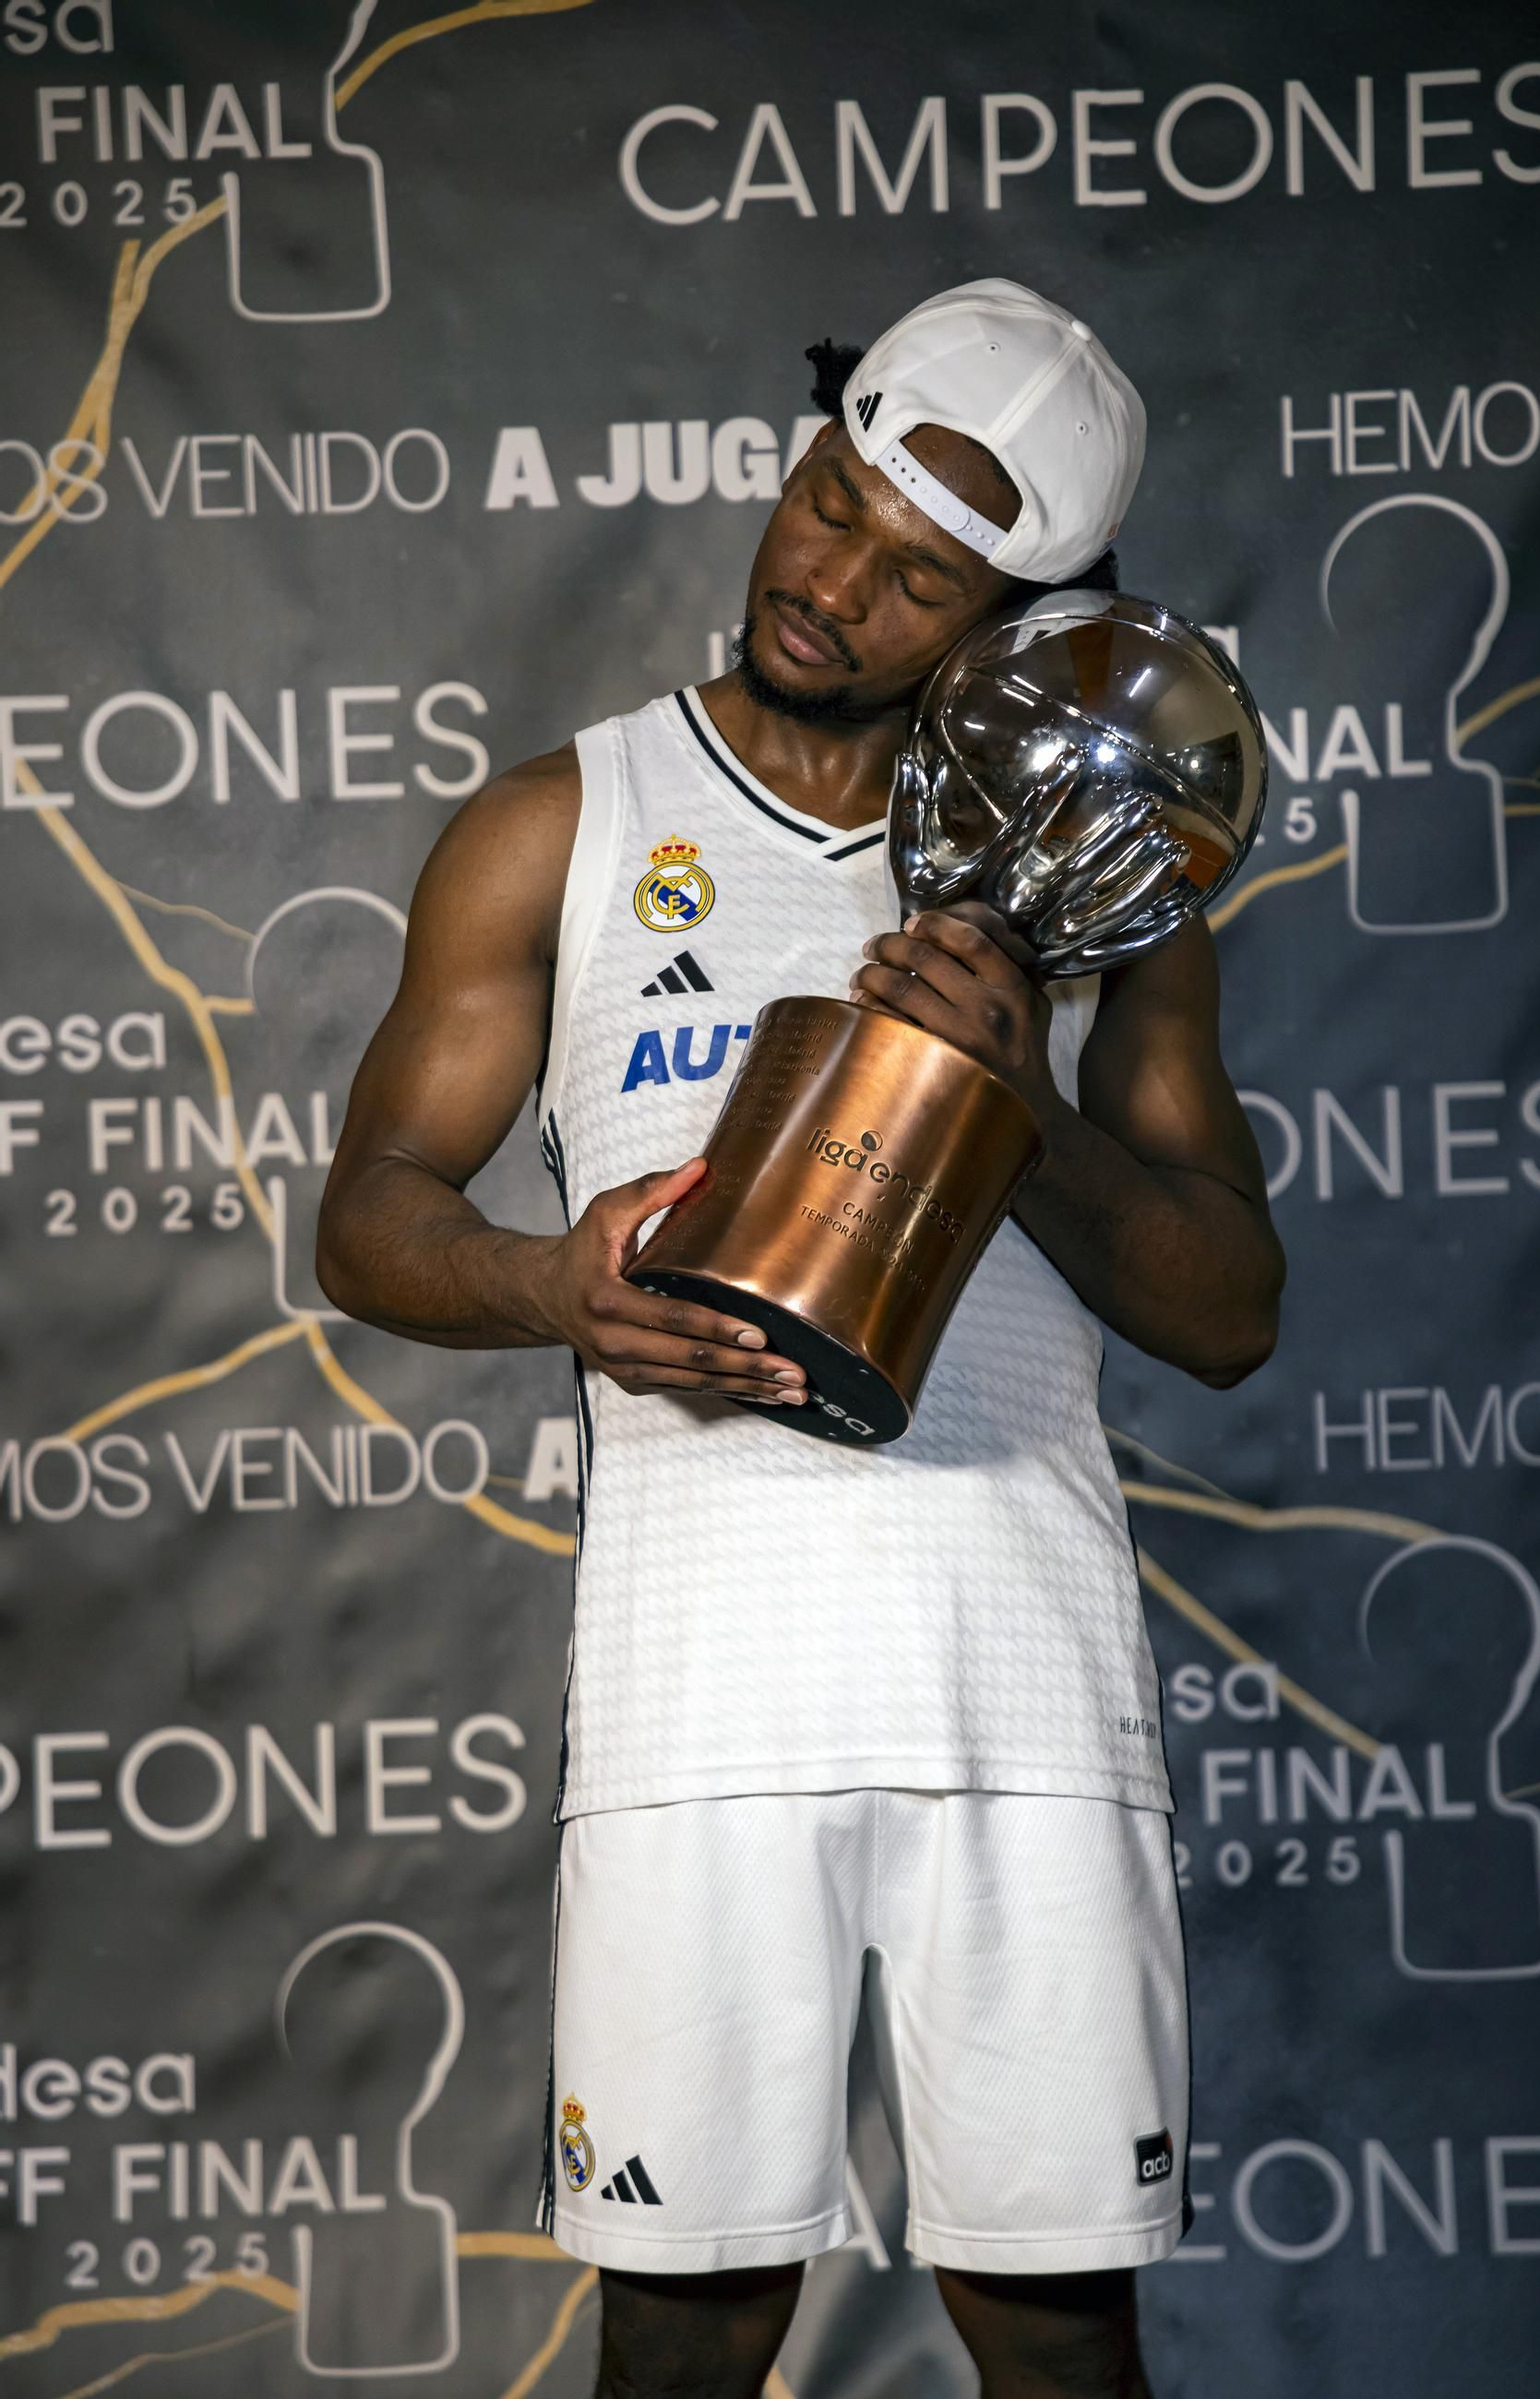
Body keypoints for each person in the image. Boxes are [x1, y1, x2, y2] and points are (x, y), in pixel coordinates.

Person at [317, 279, 1285, 2399]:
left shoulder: (1115, 886)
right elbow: (370, 1220)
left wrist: (1014, 1112)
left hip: (1013, 1705)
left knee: (1053, 2338)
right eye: (827, 501)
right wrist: (547, 1283)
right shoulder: (556, 825)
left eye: (914, 573)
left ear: (1019, 615)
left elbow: (1226, 1309)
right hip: (698, 1711)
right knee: (678, 2338)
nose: (828, 581)